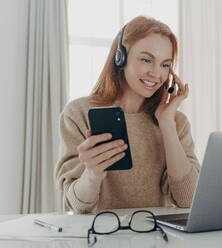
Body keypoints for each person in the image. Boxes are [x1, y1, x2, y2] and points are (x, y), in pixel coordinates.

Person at [55, 16, 200, 213]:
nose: (157, 74)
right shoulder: (79, 113)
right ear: (120, 58)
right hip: (101, 237)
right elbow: (78, 205)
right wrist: (92, 173)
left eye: (165, 65)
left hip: (156, 238)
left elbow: (188, 199)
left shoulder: (176, 122)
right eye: (146, 60)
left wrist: (166, 124)